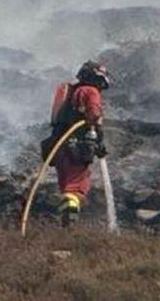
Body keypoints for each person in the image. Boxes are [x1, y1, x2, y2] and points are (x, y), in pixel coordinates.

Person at [46, 60, 110, 226]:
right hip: (76, 148)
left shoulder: (72, 92)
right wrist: (99, 140)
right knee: (77, 187)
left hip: (60, 147)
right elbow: (93, 115)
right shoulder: (90, 91)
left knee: (67, 187)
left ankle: (65, 221)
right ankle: (70, 224)